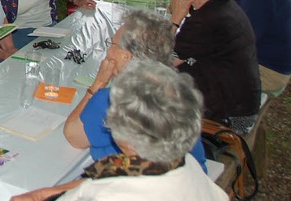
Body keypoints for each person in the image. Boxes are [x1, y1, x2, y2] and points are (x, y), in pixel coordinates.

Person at [12, 61, 228, 201]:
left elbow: (105, 188)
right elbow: (105, 179)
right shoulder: (180, 161)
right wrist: (47, 193)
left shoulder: (111, 194)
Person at [63, 10, 207, 171]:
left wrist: (98, 83)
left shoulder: (118, 98)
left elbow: (73, 135)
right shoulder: (178, 89)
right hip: (193, 179)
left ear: (125, 56)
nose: (108, 50)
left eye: (112, 44)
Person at [171, 0, 261, 133]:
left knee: (148, 93)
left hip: (229, 117)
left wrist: (176, 17)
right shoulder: (223, 7)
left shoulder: (207, 20)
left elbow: (163, 59)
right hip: (240, 103)